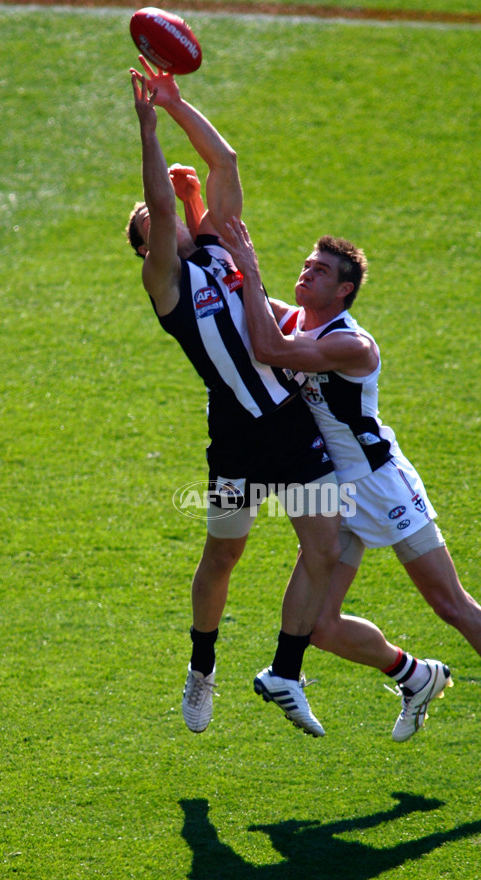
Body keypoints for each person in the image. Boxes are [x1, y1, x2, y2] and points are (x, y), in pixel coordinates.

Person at [220, 216, 481, 779]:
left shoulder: (351, 344)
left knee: (449, 602)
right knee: (322, 628)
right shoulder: (298, 319)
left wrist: (249, 268)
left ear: (345, 290)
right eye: (306, 265)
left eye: (321, 271)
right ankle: (415, 676)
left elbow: (265, 342)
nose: (307, 274)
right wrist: (201, 220)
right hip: (335, 488)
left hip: (382, 484)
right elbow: (251, 310)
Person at [127, 63, 348, 739]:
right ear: (143, 247)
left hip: (288, 427)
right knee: (224, 554)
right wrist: (146, 127)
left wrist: (175, 101)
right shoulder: (163, 283)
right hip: (237, 443)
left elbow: (222, 158)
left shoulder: (223, 241)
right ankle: (202, 668)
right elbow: (163, 207)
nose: (161, 209)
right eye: (145, 219)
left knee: (325, 548)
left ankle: (285, 670)